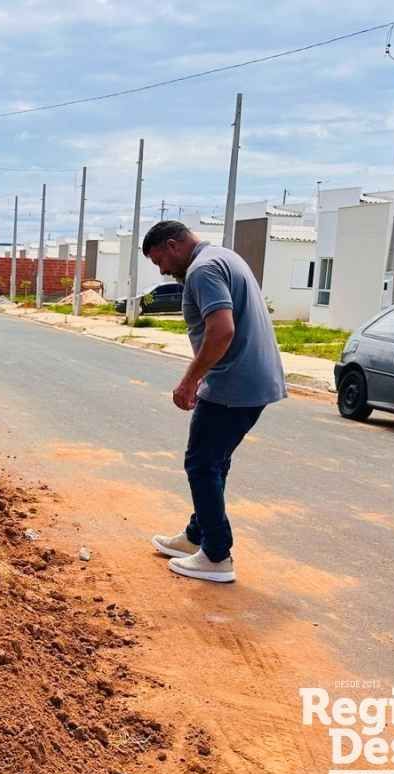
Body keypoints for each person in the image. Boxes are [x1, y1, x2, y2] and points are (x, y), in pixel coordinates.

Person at [141, 221, 286, 583]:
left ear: (173, 245)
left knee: (201, 464)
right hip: (253, 379)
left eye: (160, 261)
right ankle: (197, 535)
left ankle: (217, 555)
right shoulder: (223, 256)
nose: (162, 270)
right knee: (214, 462)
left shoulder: (202, 270)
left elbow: (222, 330)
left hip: (232, 383)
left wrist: (190, 380)